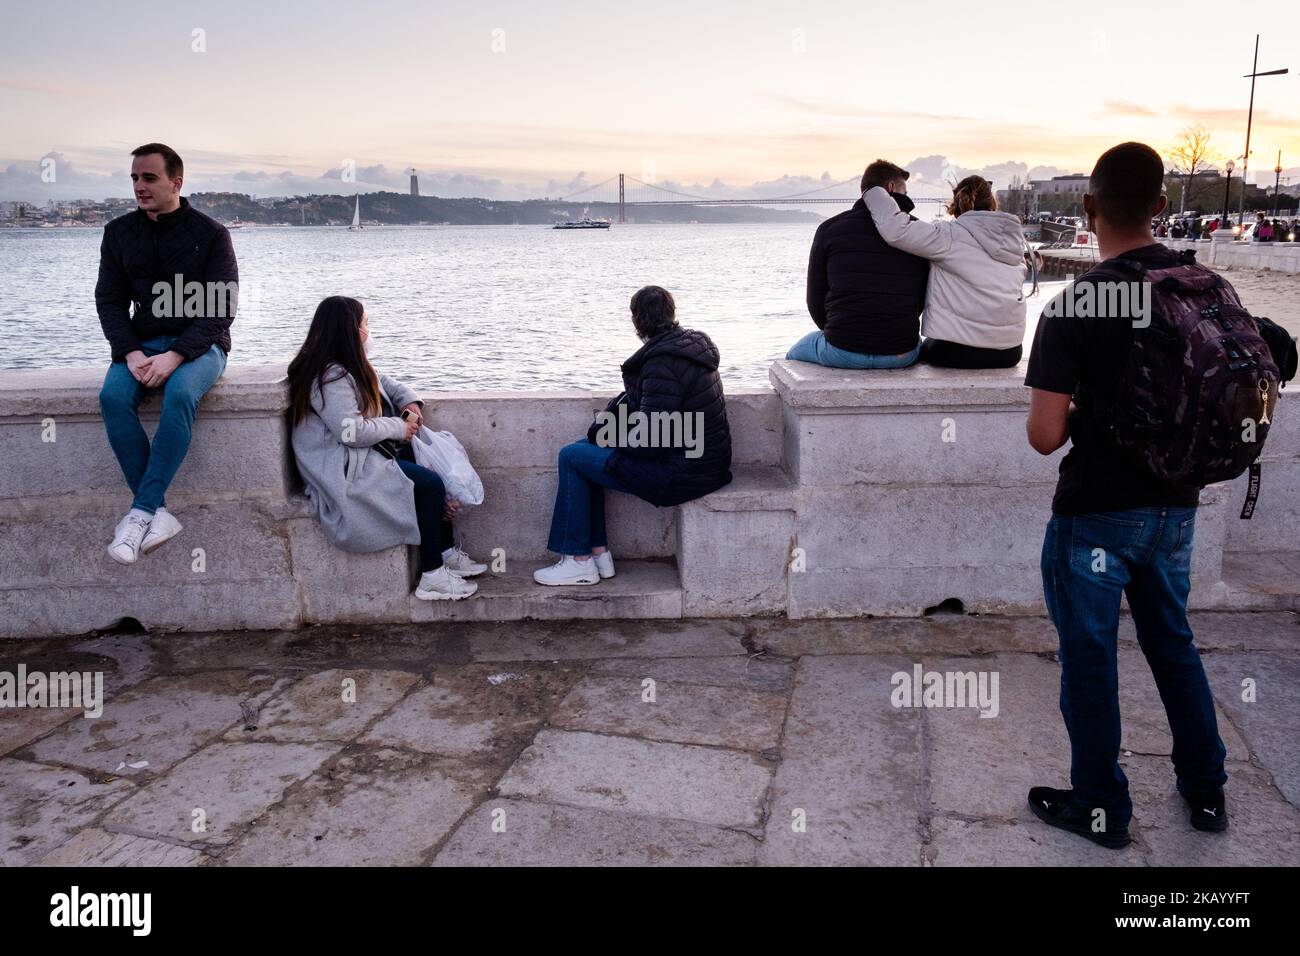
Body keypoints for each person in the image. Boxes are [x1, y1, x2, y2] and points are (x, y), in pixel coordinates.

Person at [1024, 142, 1235, 848]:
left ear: (1088, 208)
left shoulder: (1078, 301)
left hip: (1096, 514)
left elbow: (1045, 435)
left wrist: (1095, 411)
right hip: (1176, 502)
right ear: (1163, 206)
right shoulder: (1204, 285)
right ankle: (1206, 792)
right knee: (1173, 642)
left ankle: (1099, 806)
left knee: (1090, 657)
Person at [287, 296, 486, 601]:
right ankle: (432, 576)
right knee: (429, 485)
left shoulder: (349, 365)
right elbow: (350, 431)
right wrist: (398, 427)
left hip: (361, 456)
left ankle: (444, 552)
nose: (369, 330)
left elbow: (386, 384)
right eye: (365, 323)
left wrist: (410, 402)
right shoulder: (330, 377)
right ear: (349, 329)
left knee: (428, 465)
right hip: (342, 469)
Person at [96, 143, 237, 564]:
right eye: (135, 178)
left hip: (200, 346)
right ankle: (156, 512)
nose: (139, 186)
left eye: (149, 178)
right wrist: (131, 353)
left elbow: (221, 310)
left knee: (179, 396)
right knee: (112, 398)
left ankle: (140, 513)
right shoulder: (119, 233)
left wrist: (175, 356)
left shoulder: (211, 234)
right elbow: (109, 300)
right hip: (140, 345)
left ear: (176, 182)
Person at [534, 286, 732, 586]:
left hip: (683, 473)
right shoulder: (685, 349)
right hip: (703, 463)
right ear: (671, 314)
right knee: (583, 451)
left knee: (571, 456)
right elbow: (636, 402)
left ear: (636, 321)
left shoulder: (661, 363)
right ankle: (597, 554)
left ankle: (578, 559)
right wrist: (603, 431)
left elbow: (651, 438)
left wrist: (610, 440)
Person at [864, 175, 1027, 369]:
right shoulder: (1015, 242)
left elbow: (896, 230)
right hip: (1010, 352)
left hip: (957, 351)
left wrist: (873, 191)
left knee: (909, 349)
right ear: (992, 203)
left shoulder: (948, 235)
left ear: (956, 204)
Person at [788, 159, 928, 369]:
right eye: (905, 192)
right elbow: (923, 296)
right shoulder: (917, 231)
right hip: (901, 353)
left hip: (842, 350)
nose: (906, 197)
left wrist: (839, 334)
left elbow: (814, 297)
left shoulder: (829, 229)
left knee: (792, 357)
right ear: (890, 188)